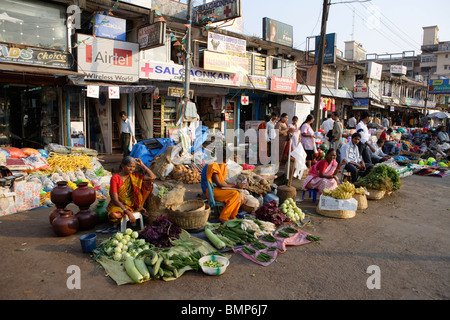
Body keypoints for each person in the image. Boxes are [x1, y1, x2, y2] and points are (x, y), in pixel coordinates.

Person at [107, 156, 156, 224]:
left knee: (148, 183)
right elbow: (115, 200)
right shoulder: (115, 178)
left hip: (133, 203)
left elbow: (152, 177)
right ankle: (128, 213)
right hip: (119, 205)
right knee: (113, 215)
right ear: (122, 165)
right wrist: (128, 213)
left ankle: (139, 207)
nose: (132, 169)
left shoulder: (134, 176)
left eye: (133, 167)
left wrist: (142, 165)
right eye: (129, 166)